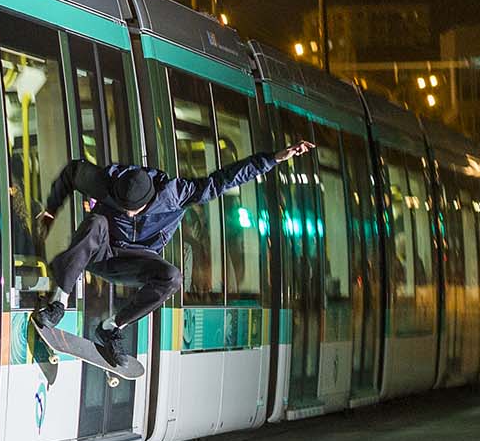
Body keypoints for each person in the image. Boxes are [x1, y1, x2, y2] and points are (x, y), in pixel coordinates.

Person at [32, 138, 316, 367]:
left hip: (137, 259)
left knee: (172, 277)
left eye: (133, 210)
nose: (128, 213)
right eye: (122, 208)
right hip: (101, 250)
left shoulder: (176, 193)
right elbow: (72, 172)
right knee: (95, 222)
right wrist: (50, 210)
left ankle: (111, 327)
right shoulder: (106, 180)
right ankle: (59, 303)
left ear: (148, 200)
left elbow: (224, 180)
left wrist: (272, 159)